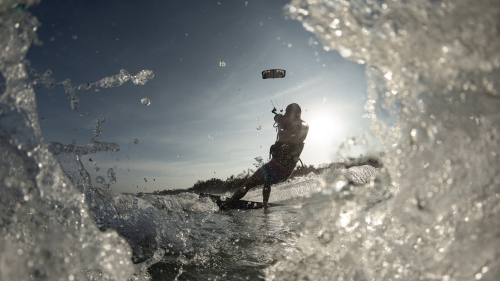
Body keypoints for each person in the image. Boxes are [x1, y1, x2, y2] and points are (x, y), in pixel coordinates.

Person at [220, 103, 309, 209]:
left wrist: (279, 117)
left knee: (248, 184)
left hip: (275, 167)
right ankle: (265, 205)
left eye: (286, 112)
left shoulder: (284, 120)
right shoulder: (305, 126)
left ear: (292, 113)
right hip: (287, 171)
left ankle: (228, 204)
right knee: (267, 181)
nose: (284, 113)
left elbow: (278, 119)